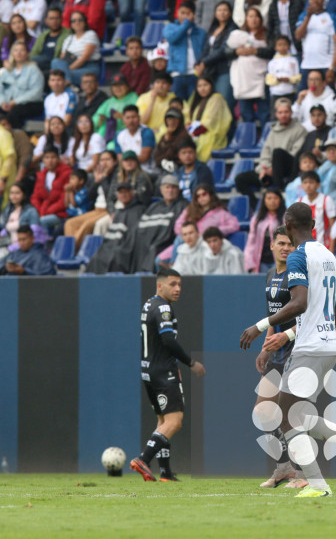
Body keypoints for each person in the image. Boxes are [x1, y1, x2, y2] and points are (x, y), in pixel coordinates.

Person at [238, 202, 336, 498]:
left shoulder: (298, 256)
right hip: (329, 346)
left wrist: (260, 326)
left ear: (289, 226)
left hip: (309, 347)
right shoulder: (328, 254)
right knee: (297, 416)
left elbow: (299, 303)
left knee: (287, 418)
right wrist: (328, 334)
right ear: (313, 224)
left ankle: (317, 485)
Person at [129, 269, 206, 483]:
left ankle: (165, 472)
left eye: (179, 284)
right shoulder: (163, 307)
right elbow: (168, 340)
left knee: (162, 420)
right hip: (164, 371)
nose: (178, 288)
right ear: (160, 285)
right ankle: (143, 459)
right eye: (172, 284)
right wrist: (191, 363)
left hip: (149, 370)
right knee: (175, 421)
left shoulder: (149, 304)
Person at [249, 224, 306, 487]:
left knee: (289, 415)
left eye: (290, 244)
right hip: (277, 351)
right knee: (263, 411)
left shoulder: (298, 275)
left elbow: (308, 317)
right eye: (281, 243)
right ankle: (284, 467)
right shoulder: (271, 273)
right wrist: (264, 347)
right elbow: (273, 315)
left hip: (297, 349)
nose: (285, 248)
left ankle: (304, 473)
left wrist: (287, 335)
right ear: (271, 245)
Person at [128, 174, 188, 272]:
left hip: (166, 244)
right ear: (161, 190)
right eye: (167, 187)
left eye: (173, 187)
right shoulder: (154, 206)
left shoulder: (183, 205)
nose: (170, 190)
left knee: (153, 249)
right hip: (147, 241)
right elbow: (142, 226)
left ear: (178, 190)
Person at [225, 8, 272, 127]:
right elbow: (226, 51)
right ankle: (248, 138)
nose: (253, 19)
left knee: (264, 112)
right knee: (246, 113)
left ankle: (265, 139)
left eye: (256, 16)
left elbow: (272, 50)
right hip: (243, 78)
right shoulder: (238, 35)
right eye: (250, 16)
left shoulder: (267, 34)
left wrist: (256, 51)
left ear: (261, 19)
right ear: (246, 19)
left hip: (260, 77)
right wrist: (236, 51)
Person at [295, 0, 336, 84]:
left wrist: (333, 67)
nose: (315, 1)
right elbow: (298, 36)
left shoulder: (332, 16)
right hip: (307, 65)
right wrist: (308, 16)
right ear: (309, 1)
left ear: (323, 0)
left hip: (326, 65)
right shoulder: (303, 16)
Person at [196, 1, 238, 111]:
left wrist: (204, 62)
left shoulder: (233, 29)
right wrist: (198, 62)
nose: (222, 13)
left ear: (230, 13)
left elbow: (223, 50)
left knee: (224, 104)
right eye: (219, 10)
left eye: (225, 10)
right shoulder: (213, 28)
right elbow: (206, 48)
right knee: (211, 106)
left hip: (224, 70)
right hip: (210, 71)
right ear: (215, 13)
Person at [163, 0, 207, 101]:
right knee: (177, 106)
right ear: (177, 13)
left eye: (188, 14)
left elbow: (205, 52)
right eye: (182, 13)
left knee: (194, 105)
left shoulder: (201, 32)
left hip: (195, 74)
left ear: (194, 15)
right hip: (177, 74)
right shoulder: (170, 28)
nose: (185, 16)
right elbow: (173, 38)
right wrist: (186, 24)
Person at [186, 76, 233, 162]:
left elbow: (209, 122)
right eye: (199, 86)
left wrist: (192, 131)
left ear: (211, 86)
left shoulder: (216, 98)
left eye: (205, 85)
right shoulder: (199, 101)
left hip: (211, 134)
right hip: (197, 133)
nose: (202, 88)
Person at [0, 40, 43, 129]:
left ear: (27, 53)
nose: (18, 53)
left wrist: (15, 102)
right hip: (8, 103)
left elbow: (36, 92)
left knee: (14, 113)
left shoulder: (33, 69)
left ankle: (18, 137)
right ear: (12, 53)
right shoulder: (6, 71)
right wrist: (2, 102)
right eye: (15, 50)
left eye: (22, 50)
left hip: (31, 103)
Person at [244, 188, 286, 273]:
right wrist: (250, 262)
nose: (272, 201)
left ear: (280, 200)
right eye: (269, 198)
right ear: (264, 201)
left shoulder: (286, 218)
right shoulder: (257, 219)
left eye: (275, 198)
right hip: (261, 261)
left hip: (281, 260)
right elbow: (251, 242)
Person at [31, 146, 71, 232]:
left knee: (42, 221)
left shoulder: (66, 173)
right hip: (43, 212)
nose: (50, 161)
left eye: (53, 157)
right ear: (43, 160)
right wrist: (40, 211)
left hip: (60, 213)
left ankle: (46, 244)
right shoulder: (41, 175)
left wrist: (46, 212)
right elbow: (35, 197)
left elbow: (63, 200)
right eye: (47, 157)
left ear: (58, 159)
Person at [113, 105, 157, 175]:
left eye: (134, 117)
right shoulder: (119, 135)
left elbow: (144, 157)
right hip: (127, 172)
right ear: (123, 119)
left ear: (139, 118)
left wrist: (127, 160)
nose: (131, 121)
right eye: (128, 118)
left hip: (147, 172)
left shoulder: (146, 132)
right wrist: (129, 162)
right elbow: (120, 159)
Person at [30, 7, 71, 76]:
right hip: (41, 65)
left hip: (56, 64)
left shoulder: (68, 34)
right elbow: (34, 52)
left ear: (61, 19)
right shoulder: (42, 35)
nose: (54, 21)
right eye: (51, 18)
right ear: (46, 21)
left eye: (57, 18)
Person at [137, 73, 177, 141]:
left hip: (168, 137)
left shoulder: (174, 99)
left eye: (164, 83)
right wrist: (152, 100)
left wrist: (163, 131)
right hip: (147, 136)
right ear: (153, 85)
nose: (160, 86)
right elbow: (141, 122)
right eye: (157, 82)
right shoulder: (143, 98)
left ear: (169, 86)